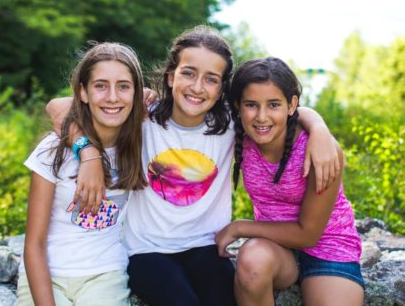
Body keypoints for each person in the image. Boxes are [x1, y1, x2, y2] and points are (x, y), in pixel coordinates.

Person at [46, 25, 341, 306]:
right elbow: (57, 107)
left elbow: (279, 107)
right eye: (188, 73)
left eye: (211, 79)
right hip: (146, 251)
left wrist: (318, 127)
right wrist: (89, 154)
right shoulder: (142, 116)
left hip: (206, 247)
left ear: (222, 88)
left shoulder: (230, 123)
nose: (198, 87)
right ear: (171, 76)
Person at [216, 57, 364, 306]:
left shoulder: (319, 150)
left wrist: (238, 227)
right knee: (252, 260)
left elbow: (308, 235)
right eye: (251, 105)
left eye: (273, 104)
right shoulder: (240, 134)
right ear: (238, 106)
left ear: (291, 104)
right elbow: (191, 113)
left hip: (329, 247)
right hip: (276, 248)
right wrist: (147, 98)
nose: (262, 117)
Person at [16, 42, 147, 306]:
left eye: (123, 86)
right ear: (83, 92)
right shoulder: (53, 150)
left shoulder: (143, 141)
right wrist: (87, 152)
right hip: (47, 274)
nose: (112, 97)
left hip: (104, 275)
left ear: (137, 93)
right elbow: (34, 244)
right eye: (100, 85)